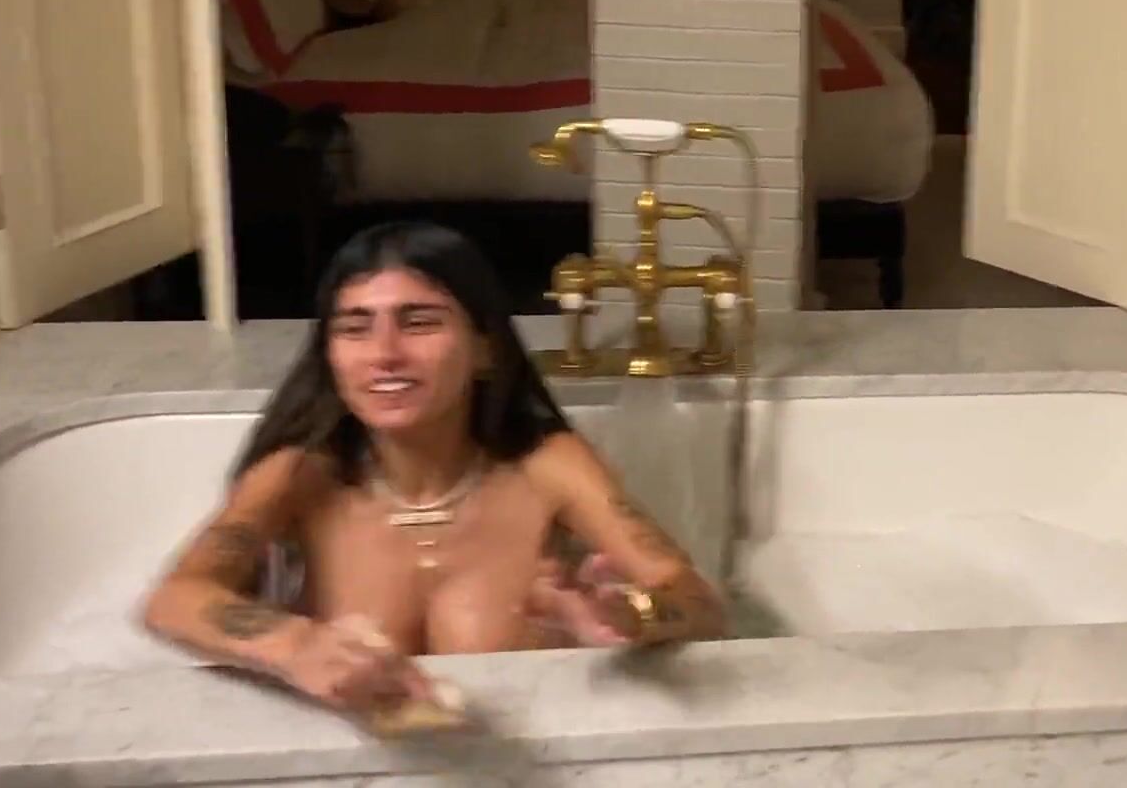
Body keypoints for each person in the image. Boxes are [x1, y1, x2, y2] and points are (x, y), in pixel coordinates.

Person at [140, 221, 728, 716]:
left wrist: (630, 615)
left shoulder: (547, 467)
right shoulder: (301, 476)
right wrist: (294, 645)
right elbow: (176, 598)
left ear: (484, 348)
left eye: (419, 322)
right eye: (354, 328)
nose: (384, 354)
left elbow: (696, 600)